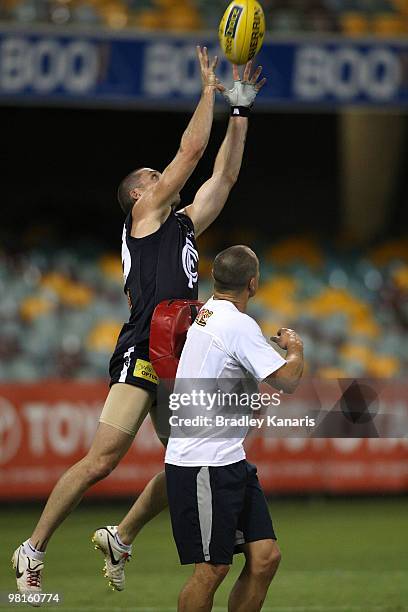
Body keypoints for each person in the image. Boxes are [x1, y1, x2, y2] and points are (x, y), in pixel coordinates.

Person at [12, 49, 267, 597]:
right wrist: (208, 92)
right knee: (102, 459)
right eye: (152, 175)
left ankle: (121, 536)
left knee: (184, 459)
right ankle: (30, 550)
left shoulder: (184, 226)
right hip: (144, 348)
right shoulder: (145, 215)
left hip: (179, 349)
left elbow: (223, 173)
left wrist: (240, 110)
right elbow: (193, 149)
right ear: (137, 194)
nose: (161, 175)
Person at [165, 245, 304, 612]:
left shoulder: (209, 313)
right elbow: (288, 381)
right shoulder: (237, 324)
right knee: (212, 569)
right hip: (204, 463)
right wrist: (295, 351)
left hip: (226, 458)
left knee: (264, 557)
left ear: (216, 278)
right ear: (253, 284)